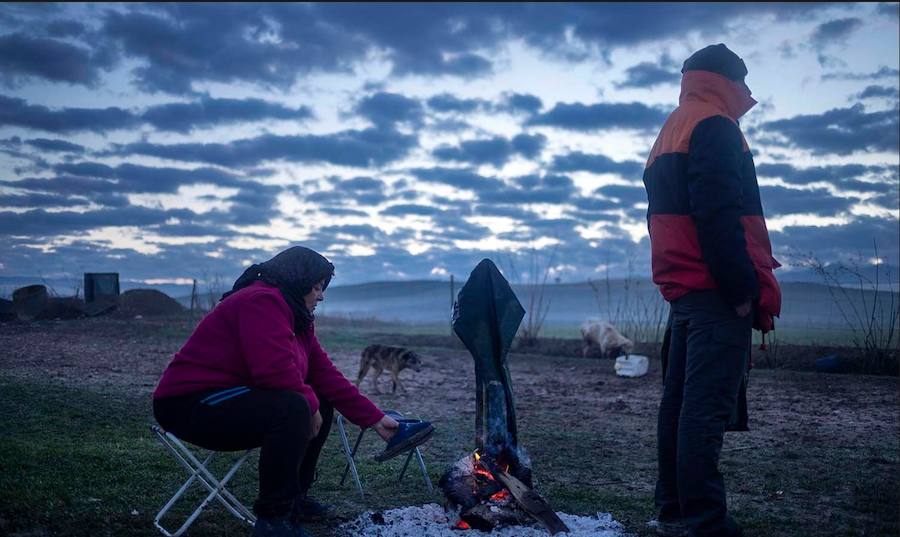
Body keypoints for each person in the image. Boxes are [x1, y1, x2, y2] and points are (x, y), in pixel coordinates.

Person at [152, 246, 434, 537]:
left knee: (318, 397)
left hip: (231, 399)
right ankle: (273, 520)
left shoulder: (297, 319)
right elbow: (272, 370)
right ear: (297, 282)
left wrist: (375, 419)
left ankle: (295, 498)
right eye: (316, 287)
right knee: (294, 406)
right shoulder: (260, 301)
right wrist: (308, 406)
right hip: (189, 404)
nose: (321, 295)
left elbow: (325, 374)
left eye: (323, 288)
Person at [641, 44, 782, 537]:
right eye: (744, 82)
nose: (748, 93)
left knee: (679, 404)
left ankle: (674, 511)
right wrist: (741, 287)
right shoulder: (716, 127)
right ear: (725, 81)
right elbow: (718, 213)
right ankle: (704, 522)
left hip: (683, 290)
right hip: (714, 292)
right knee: (702, 410)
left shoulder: (671, 129)